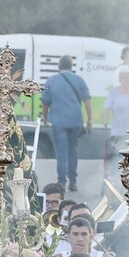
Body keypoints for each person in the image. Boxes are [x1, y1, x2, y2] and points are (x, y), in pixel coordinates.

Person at [41, 56, 92, 194]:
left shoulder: (51, 80)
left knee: (61, 151)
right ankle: (73, 182)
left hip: (58, 121)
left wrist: (45, 117)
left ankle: (62, 182)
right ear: (71, 66)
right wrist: (89, 120)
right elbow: (87, 100)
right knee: (72, 150)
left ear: (59, 66)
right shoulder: (79, 80)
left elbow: (45, 101)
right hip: (75, 121)